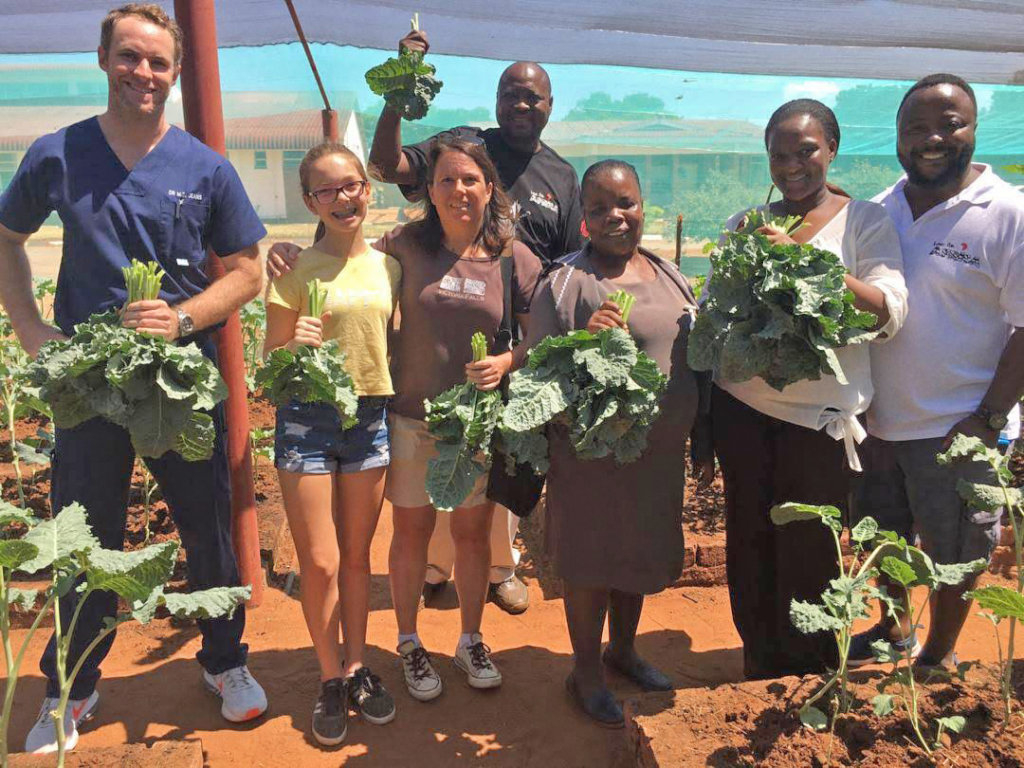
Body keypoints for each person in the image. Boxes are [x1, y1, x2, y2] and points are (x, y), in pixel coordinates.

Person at [0, 4, 268, 754]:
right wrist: (29, 328)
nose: (143, 73)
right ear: (103, 58)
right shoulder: (58, 154)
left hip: (178, 385)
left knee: (206, 531)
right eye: (130, 57)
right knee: (84, 538)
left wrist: (183, 319)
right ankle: (74, 684)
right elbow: (6, 238)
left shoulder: (204, 167)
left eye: (157, 62)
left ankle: (225, 662)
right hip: (90, 386)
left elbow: (247, 270)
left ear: (175, 73)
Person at [269, 30, 584, 615]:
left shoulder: (561, 179)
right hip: (421, 383)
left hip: (502, 358)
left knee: (490, 507)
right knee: (427, 508)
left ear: (549, 106)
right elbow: (384, 171)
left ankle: (497, 572)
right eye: (511, 93)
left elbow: (563, 275)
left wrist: (527, 356)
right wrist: (401, 82)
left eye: (533, 97)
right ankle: (436, 577)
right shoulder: (455, 155)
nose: (522, 104)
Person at [708, 100, 907, 679]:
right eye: (779, 154)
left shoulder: (865, 221)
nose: (792, 165)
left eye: (806, 151)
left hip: (820, 422)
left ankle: (812, 669)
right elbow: (715, 314)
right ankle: (759, 662)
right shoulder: (745, 225)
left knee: (810, 548)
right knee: (748, 539)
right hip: (743, 408)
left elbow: (888, 312)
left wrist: (807, 264)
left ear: (832, 150)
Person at [849, 74, 1024, 669]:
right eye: (915, 128)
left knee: (960, 550)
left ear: (974, 130)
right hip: (879, 423)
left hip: (960, 427)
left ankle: (939, 657)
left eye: (949, 125)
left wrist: (988, 419)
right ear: (896, 136)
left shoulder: (1008, 213)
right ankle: (895, 635)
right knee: (882, 542)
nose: (932, 139)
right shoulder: (878, 209)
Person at [520, 159, 701, 728]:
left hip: (657, 457)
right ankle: (586, 673)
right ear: (582, 222)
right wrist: (582, 341)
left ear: (642, 205)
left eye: (625, 204)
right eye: (598, 208)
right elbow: (534, 370)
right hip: (590, 456)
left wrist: (703, 436)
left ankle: (622, 651)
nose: (615, 217)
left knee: (637, 554)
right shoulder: (566, 281)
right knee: (591, 559)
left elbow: (696, 361)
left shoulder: (671, 274)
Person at [378, 135, 541, 700]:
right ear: (429, 190)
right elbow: (346, 260)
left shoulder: (511, 254)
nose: (458, 190)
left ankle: (470, 637)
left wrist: (507, 360)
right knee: (411, 534)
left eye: (470, 179)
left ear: (489, 188)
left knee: (473, 534)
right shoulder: (404, 244)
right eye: (446, 179)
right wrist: (288, 255)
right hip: (411, 417)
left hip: (475, 422)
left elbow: (538, 332)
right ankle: (407, 641)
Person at [263, 142, 401, 745]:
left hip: (370, 416)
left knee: (356, 558)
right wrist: (296, 347)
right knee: (318, 561)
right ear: (309, 201)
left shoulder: (390, 266)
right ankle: (328, 677)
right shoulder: (292, 269)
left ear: (367, 190)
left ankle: (357, 667)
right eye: (328, 190)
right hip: (306, 417)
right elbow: (270, 362)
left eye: (352, 185)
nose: (344, 198)